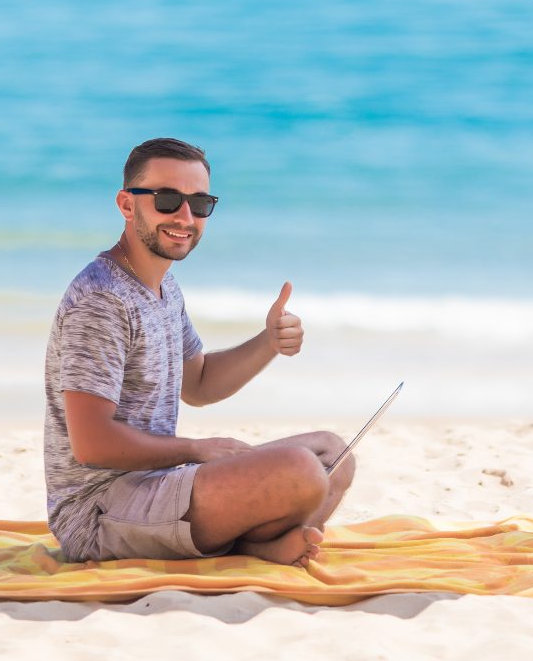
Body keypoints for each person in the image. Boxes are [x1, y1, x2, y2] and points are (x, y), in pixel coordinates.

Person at [43, 137, 353, 566]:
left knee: (333, 454)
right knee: (300, 472)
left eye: (200, 203)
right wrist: (196, 449)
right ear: (127, 205)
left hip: (162, 486)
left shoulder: (164, 286)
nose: (185, 217)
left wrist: (268, 343)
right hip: (100, 512)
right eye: (168, 200)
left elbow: (200, 383)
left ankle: (254, 548)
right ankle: (251, 548)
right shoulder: (101, 298)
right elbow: (91, 444)